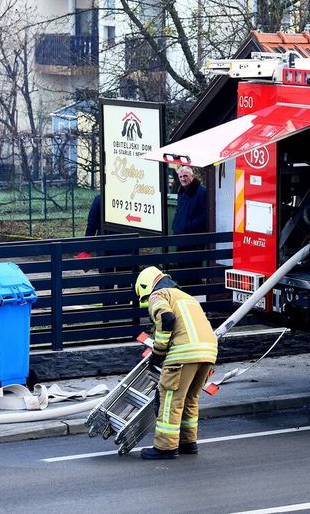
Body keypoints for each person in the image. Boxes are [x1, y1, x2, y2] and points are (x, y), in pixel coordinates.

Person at [134, 266, 218, 460]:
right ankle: (188, 442)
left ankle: (165, 447)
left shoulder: (158, 296)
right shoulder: (186, 297)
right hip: (208, 353)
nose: (147, 303)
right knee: (190, 399)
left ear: (147, 288)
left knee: (170, 399)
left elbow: (166, 318)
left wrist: (158, 351)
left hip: (183, 354)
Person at [172, 166, 207, 235]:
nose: (183, 179)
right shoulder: (181, 191)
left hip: (193, 236)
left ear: (192, 176)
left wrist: (189, 226)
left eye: (185, 176)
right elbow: (178, 211)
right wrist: (175, 225)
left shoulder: (202, 191)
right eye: (180, 177)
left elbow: (205, 214)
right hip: (179, 233)